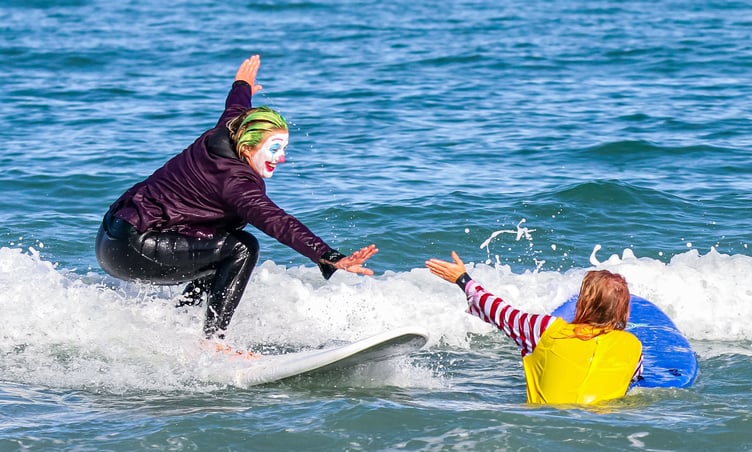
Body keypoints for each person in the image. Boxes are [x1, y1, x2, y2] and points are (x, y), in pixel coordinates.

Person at [96, 54, 378, 339]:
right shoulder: (236, 183)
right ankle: (213, 341)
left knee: (216, 246)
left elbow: (237, 107)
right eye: (274, 148)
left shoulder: (229, 129)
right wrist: (329, 256)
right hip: (134, 249)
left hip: (113, 236)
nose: (281, 158)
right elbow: (277, 221)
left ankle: (179, 327)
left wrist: (242, 84)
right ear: (248, 145)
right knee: (241, 248)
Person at [425, 251, 643, 405]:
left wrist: (463, 279)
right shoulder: (633, 347)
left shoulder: (544, 329)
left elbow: (497, 311)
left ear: (582, 302)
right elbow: (634, 379)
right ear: (622, 309)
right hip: (603, 431)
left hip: (547, 425)